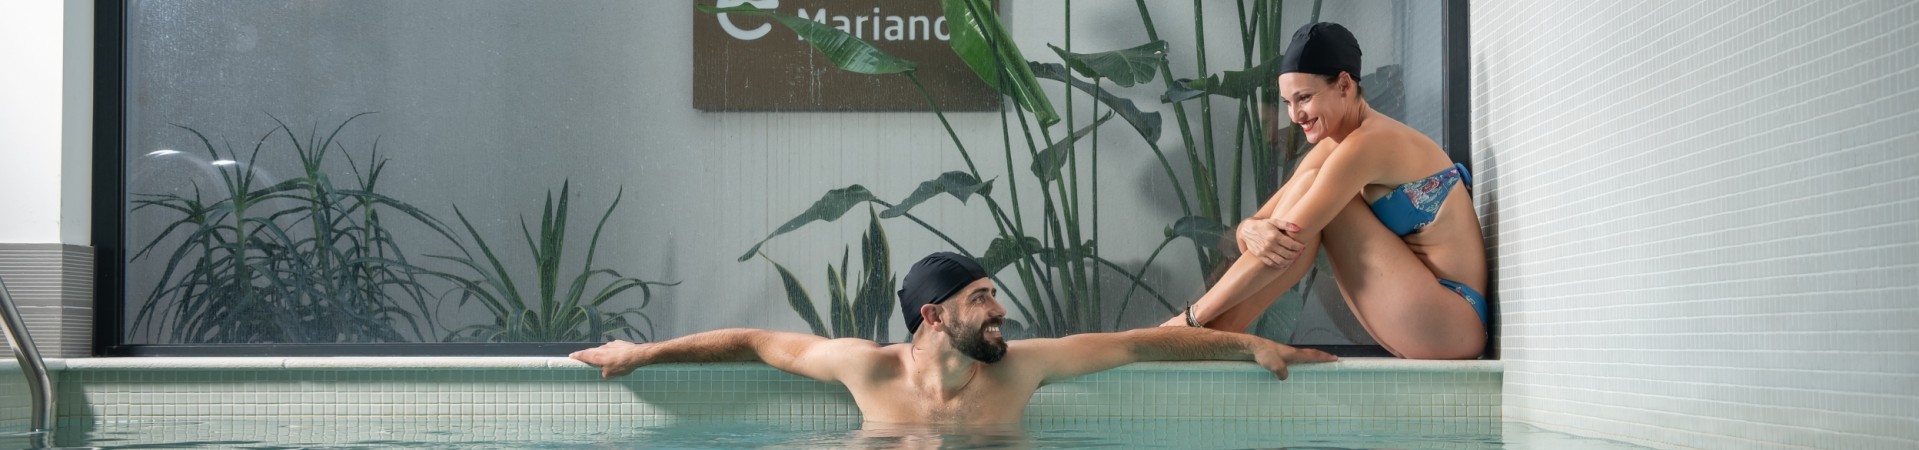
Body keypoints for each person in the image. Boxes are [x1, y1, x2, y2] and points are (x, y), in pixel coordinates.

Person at [572, 252, 1337, 425]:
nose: (999, 310)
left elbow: (1138, 343)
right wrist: (638, 354)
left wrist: (1249, 346)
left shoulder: (1023, 368)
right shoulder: (867, 371)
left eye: (994, 295)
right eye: (981, 299)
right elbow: (751, 342)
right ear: (931, 317)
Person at [1160, 22, 1489, 360]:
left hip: (1452, 319)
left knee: (1312, 204)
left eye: (1304, 98)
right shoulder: (1338, 144)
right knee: (1302, 195)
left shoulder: (1368, 144)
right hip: (1423, 314)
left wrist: (1191, 316)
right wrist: (1249, 227)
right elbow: (1257, 229)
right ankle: (1212, 338)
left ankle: (1200, 334)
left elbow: (1292, 232)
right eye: (1288, 102)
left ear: (1344, 85)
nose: (1294, 115)